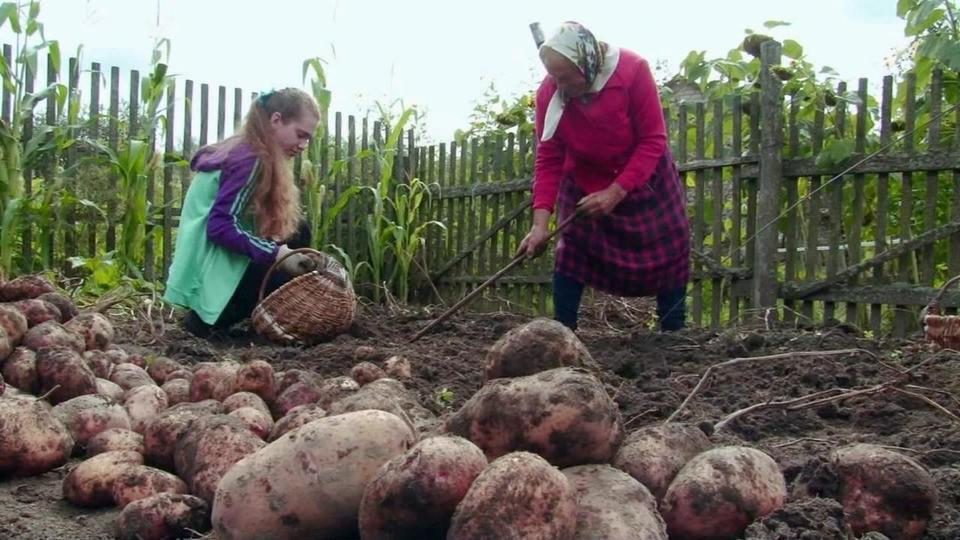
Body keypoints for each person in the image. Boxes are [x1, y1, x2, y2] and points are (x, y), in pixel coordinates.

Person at [518, 22, 690, 332]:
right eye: (553, 77)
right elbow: (549, 158)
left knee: (671, 247)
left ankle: (674, 335)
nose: (558, 85)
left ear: (587, 65)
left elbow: (653, 139)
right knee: (572, 251)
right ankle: (563, 333)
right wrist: (540, 225)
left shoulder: (632, 71)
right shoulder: (549, 94)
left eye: (565, 77)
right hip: (584, 178)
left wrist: (614, 192)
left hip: (643, 176)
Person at [164, 87, 321, 338]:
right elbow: (220, 227)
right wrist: (277, 253)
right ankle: (207, 320)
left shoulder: (243, 148)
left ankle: (216, 313)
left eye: (308, 139)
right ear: (276, 120)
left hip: (204, 260)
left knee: (299, 231)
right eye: (300, 135)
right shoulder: (250, 159)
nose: (303, 145)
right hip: (212, 266)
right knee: (284, 279)